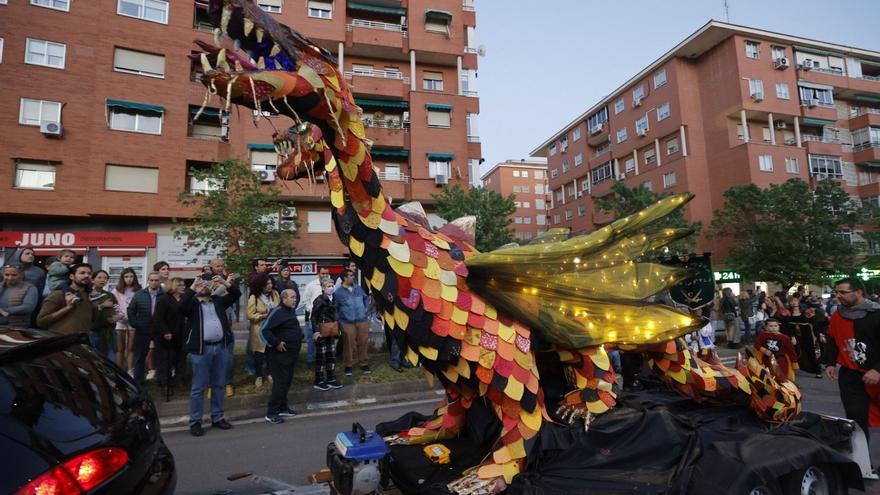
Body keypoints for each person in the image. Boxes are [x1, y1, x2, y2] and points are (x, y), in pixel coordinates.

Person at [181, 274, 240, 437]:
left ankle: (217, 417)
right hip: (201, 350)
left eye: (207, 284)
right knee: (199, 387)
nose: (204, 287)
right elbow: (180, 308)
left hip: (220, 347)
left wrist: (224, 283)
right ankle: (195, 421)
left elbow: (236, 295)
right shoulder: (192, 304)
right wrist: (192, 289)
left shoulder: (218, 301)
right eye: (201, 284)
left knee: (219, 385)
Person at [824, 277, 880, 445]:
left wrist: (878, 369)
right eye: (836, 292)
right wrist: (831, 362)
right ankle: (862, 464)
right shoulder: (837, 315)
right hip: (851, 375)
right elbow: (832, 339)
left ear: (858, 292)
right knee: (855, 418)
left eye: (843, 292)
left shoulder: (876, 315)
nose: (838, 296)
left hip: (876, 373)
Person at [261, 289, 304, 424]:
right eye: (292, 297)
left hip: (291, 353)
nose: (295, 299)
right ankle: (271, 412)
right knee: (279, 384)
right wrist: (276, 342)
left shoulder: (290, 311)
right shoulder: (277, 311)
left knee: (287, 382)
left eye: (295, 297)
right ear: (283, 299)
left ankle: (283, 407)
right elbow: (264, 331)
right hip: (279, 355)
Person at [36, 263, 100, 333]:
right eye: (82, 273)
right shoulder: (58, 294)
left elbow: (93, 321)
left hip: (83, 340)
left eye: (89, 273)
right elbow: (41, 321)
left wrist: (95, 306)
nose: (86, 276)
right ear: (72, 277)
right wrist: (67, 308)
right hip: (61, 340)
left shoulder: (90, 295)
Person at [208, 258, 238, 398]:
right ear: (211, 267)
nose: (219, 268)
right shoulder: (205, 278)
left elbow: (233, 294)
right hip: (210, 323)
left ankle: (228, 383)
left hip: (225, 320)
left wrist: (225, 283)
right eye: (217, 266)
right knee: (211, 359)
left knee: (227, 359)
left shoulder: (227, 278)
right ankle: (210, 385)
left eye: (221, 266)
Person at [127, 272, 162, 384]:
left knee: (161, 355)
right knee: (140, 355)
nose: (154, 282)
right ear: (148, 280)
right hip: (143, 328)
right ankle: (138, 381)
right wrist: (134, 323)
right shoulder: (139, 294)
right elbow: (131, 309)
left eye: (156, 280)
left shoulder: (164, 294)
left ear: (160, 281)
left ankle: (161, 379)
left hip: (159, 329)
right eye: (151, 280)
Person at [335, 269, 371, 376]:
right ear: (345, 278)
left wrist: (365, 310)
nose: (353, 277)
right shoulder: (338, 292)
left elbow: (365, 298)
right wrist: (339, 320)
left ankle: (364, 363)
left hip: (362, 320)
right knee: (349, 345)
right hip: (347, 322)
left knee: (363, 342)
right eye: (350, 275)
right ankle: (348, 365)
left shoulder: (358, 288)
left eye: (353, 275)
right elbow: (336, 308)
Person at [154, 277, 188, 391]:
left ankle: (180, 380)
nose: (183, 287)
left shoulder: (184, 299)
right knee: (166, 360)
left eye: (183, 285)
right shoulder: (164, 299)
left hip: (181, 334)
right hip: (167, 335)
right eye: (180, 285)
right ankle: (164, 383)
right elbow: (158, 318)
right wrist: (165, 331)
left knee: (181, 360)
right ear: (173, 286)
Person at [247, 273, 279, 388]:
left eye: (271, 283)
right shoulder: (254, 297)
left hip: (272, 329)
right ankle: (258, 376)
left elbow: (279, 307)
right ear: (261, 285)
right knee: (259, 354)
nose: (270, 286)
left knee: (271, 352)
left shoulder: (275, 294)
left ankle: (270, 373)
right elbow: (250, 315)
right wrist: (262, 316)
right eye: (267, 284)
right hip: (259, 329)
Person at [310, 278, 343, 391]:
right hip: (321, 330)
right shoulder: (319, 300)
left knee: (331, 355)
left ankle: (331, 378)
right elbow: (313, 317)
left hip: (332, 330)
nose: (331, 287)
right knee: (321, 356)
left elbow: (336, 314)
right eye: (328, 286)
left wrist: (339, 328)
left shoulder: (335, 299)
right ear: (323, 288)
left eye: (332, 285)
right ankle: (318, 380)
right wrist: (315, 331)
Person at [780, 295, 821, 377]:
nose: (794, 302)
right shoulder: (788, 313)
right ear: (789, 303)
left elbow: (814, 322)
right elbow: (787, 326)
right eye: (791, 301)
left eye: (795, 300)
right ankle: (792, 370)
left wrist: (819, 334)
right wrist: (792, 336)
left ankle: (817, 370)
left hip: (806, 335)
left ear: (798, 302)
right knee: (794, 352)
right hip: (794, 335)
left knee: (810, 352)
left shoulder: (805, 311)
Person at [300, 266, 331, 364]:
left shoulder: (330, 285)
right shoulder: (311, 285)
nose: (325, 275)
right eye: (323, 273)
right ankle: (311, 360)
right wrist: (312, 311)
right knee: (312, 340)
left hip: (326, 318)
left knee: (326, 339)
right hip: (312, 318)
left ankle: (325, 359)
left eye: (326, 273)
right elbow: (305, 300)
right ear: (318, 274)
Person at [112, 268, 141, 373]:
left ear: (134, 277)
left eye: (131, 276)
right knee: (120, 348)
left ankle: (130, 370)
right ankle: (119, 370)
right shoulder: (116, 290)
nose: (129, 279)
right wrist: (121, 315)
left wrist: (134, 317)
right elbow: (114, 304)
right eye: (126, 277)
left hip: (133, 321)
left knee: (131, 348)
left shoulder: (138, 290)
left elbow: (140, 305)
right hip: (120, 321)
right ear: (122, 278)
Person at [89, 270, 121, 358]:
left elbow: (118, 309)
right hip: (94, 331)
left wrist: (118, 316)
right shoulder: (88, 294)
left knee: (110, 359)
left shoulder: (109, 295)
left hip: (109, 332)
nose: (102, 280)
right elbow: (87, 310)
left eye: (105, 278)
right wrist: (102, 305)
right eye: (99, 278)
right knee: (94, 358)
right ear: (92, 280)